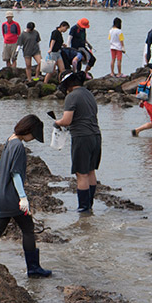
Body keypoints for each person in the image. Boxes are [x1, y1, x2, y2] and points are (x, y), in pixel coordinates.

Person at [0, 114, 50, 277]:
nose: (33, 139)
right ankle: (33, 268)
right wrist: (23, 198)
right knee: (28, 229)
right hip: (11, 197)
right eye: (34, 135)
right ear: (29, 130)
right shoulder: (18, 146)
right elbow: (16, 174)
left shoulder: (10, 140)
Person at [56, 72, 102, 213]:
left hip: (82, 137)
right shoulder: (89, 94)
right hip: (96, 135)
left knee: (81, 174)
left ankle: (83, 209)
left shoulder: (72, 96)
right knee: (90, 171)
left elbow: (67, 120)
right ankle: (89, 204)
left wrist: (57, 122)